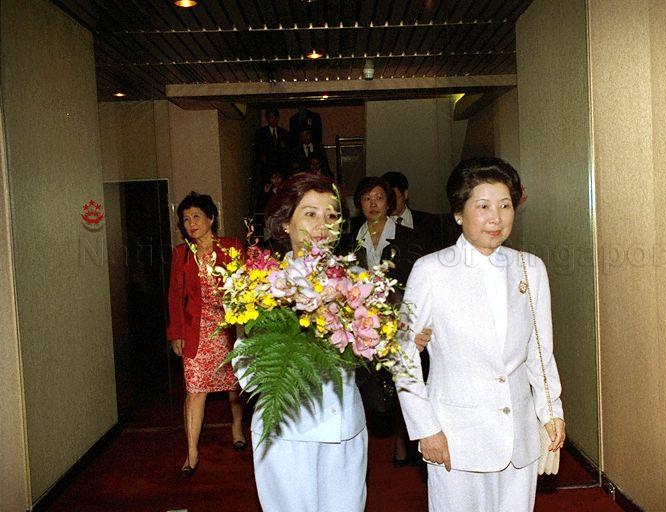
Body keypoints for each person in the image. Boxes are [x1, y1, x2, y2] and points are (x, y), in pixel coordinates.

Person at [394, 157, 566, 511]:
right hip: (456, 436)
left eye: (505, 206)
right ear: (459, 213)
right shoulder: (431, 270)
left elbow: (540, 350)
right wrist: (425, 427)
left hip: (518, 435)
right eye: (483, 206)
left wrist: (552, 412)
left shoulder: (530, 268)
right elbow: (402, 354)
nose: (496, 218)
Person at [233, 173, 368, 512]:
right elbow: (247, 370)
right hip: (288, 432)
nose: (323, 224)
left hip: (344, 429)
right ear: (285, 225)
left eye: (332, 215)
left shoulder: (358, 283)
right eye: (310, 213)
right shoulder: (262, 287)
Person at [166, 191, 246, 476]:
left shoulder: (231, 248)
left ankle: (237, 426)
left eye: (196, 216)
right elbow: (175, 297)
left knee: (234, 387)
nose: (191, 223)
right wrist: (175, 333)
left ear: (211, 218)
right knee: (195, 391)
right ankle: (191, 452)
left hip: (228, 329)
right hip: (195, 330)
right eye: (186, 219)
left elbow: (246, 289)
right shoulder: (181, 254)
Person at [349, 176, 425, 467]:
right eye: (367, 198)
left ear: (389, 202)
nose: (373, 204)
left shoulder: (407, 237)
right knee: (367, 384)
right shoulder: (349, 240)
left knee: (402, 382)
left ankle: (402, 442)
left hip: (399, 320)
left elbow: (416, 282)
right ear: (359, 204)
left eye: (379, 198)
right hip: (362, 324)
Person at [381, 171, 442, 252]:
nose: (391, 204)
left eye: (395, 199)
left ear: (405, 194)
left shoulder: (429, 222)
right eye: (388, 200)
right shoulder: (378, 224)